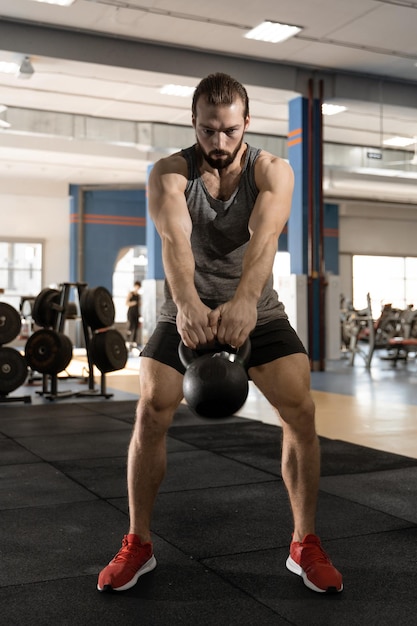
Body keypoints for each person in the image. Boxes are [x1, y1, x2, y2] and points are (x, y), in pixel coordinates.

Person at [97, 73, 343, 594]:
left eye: (230, 130)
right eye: (209, 130)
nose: (219, 142)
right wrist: (187, 304)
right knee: (151, 406)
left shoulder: (274, 170)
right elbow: (173, 238)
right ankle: (138, 543)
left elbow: (266, 237)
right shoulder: (169, 172)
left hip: (259, 307)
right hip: (185, 305)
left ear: (247, 124)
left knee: (299, 409)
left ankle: (305, 542)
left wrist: (247, 302)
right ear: (194, 123)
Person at [125, 281, 141, 347]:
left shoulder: (138, 296)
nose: (137, 288)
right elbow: (126, 303)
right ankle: (127, 340)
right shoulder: (131, 294)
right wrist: (133, 303)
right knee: (130, 327)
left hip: (136, 313)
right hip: (131, 312)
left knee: (136, 327)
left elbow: (139, 304)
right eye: (136, 287)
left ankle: (134, 341)